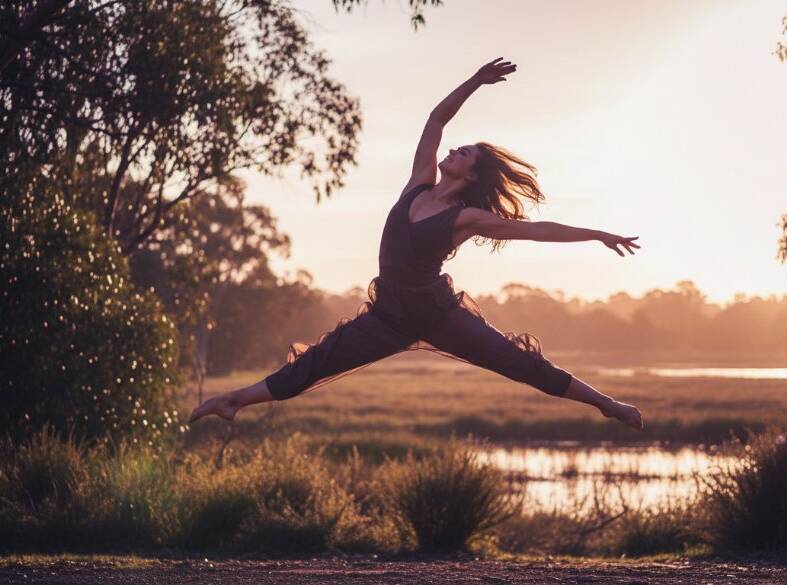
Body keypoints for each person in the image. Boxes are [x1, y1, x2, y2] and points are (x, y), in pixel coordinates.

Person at [189, 57, 643, 430]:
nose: (454, 151)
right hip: (388, 314)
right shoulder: (417, 184)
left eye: (464, 153)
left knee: (518, 363)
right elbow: (436, 120)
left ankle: (608, 404)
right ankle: (234, 400)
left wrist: (597, 235)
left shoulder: (465, 218)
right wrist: (474, 82)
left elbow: (539, 230)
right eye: (459, 147)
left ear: (470, 175)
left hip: (438, 314)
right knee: (315, 363)